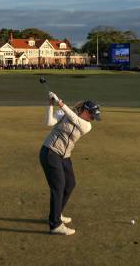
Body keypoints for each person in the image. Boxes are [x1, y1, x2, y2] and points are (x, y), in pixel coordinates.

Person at [39, 91, 101, 235]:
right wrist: (50, 104)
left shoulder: (87, 125)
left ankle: (57, 213)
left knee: (70, 183)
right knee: (58, 187)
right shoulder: (65, 114)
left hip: (64, 155)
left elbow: (75, 119)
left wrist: (61, 104)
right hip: (50, 152)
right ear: (85, 111)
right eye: (92, 115)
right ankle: (55, 225)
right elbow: (49, 122)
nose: (93, 118)